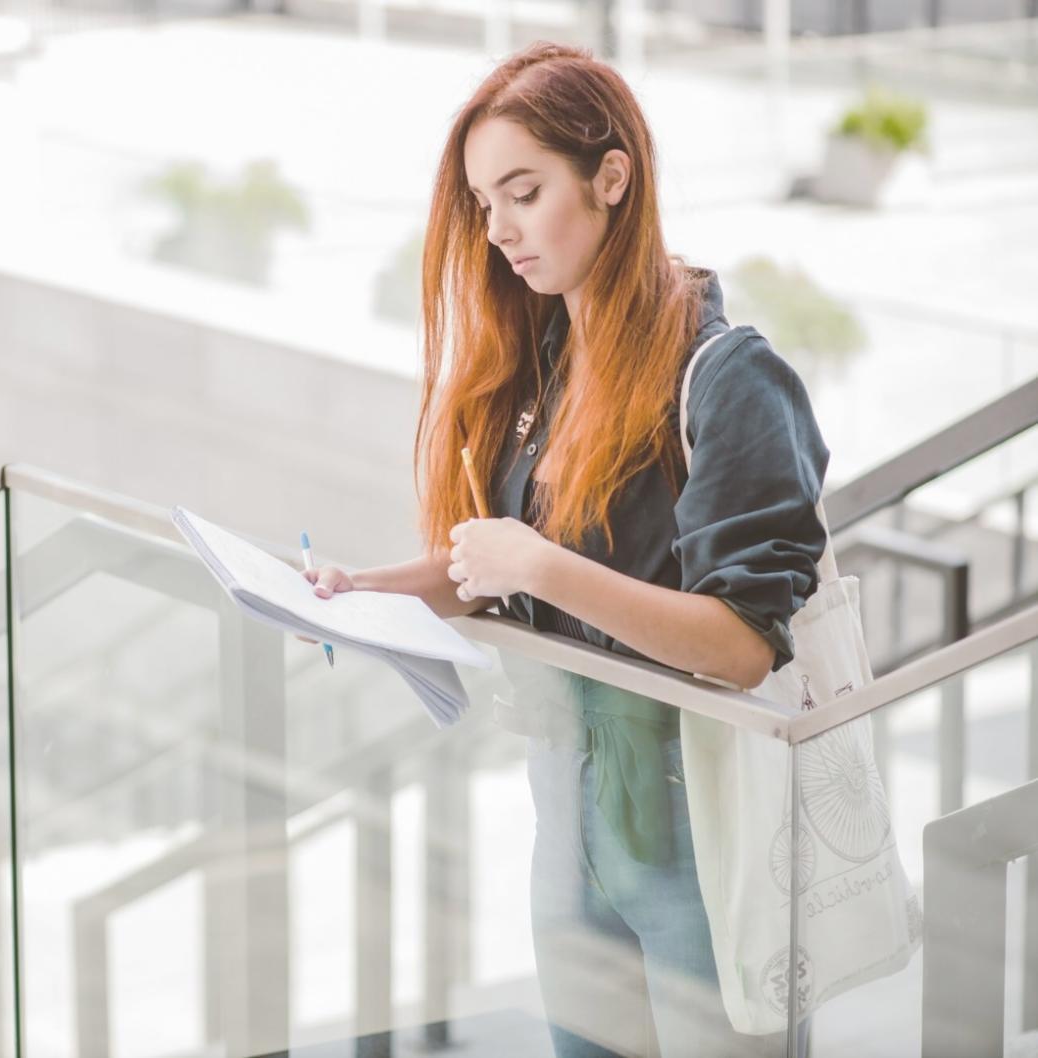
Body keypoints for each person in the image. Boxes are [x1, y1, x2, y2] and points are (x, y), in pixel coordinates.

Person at [301, 41, 827, 1058]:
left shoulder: (728, 379)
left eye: (522, 191)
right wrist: (367, 587)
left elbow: (738, 644)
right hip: (568, 828)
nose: (495, 230)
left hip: (700, 839)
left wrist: (539, 566)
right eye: (481, 203)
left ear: (610, 176)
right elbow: (493, 562)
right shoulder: (539, 365)